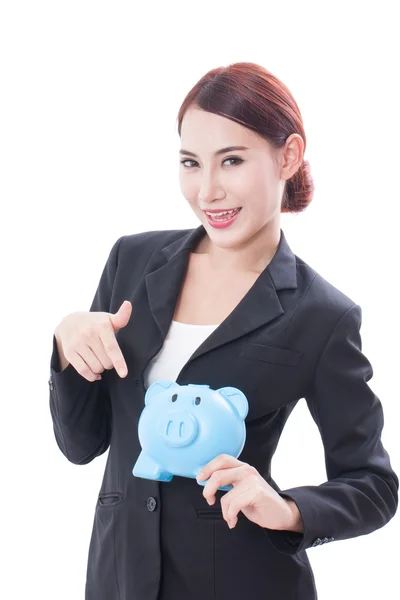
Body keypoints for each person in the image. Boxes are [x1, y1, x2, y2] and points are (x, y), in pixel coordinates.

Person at [48, 62, 399, 600]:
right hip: (118, 580)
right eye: (191, 163)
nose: (208, 190)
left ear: (288, 156)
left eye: (231, 160)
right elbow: (81, 444)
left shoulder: (322, 314)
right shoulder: (131, 262)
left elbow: (374, 485)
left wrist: (286, 509)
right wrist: (66, 342)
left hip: (243, 580)